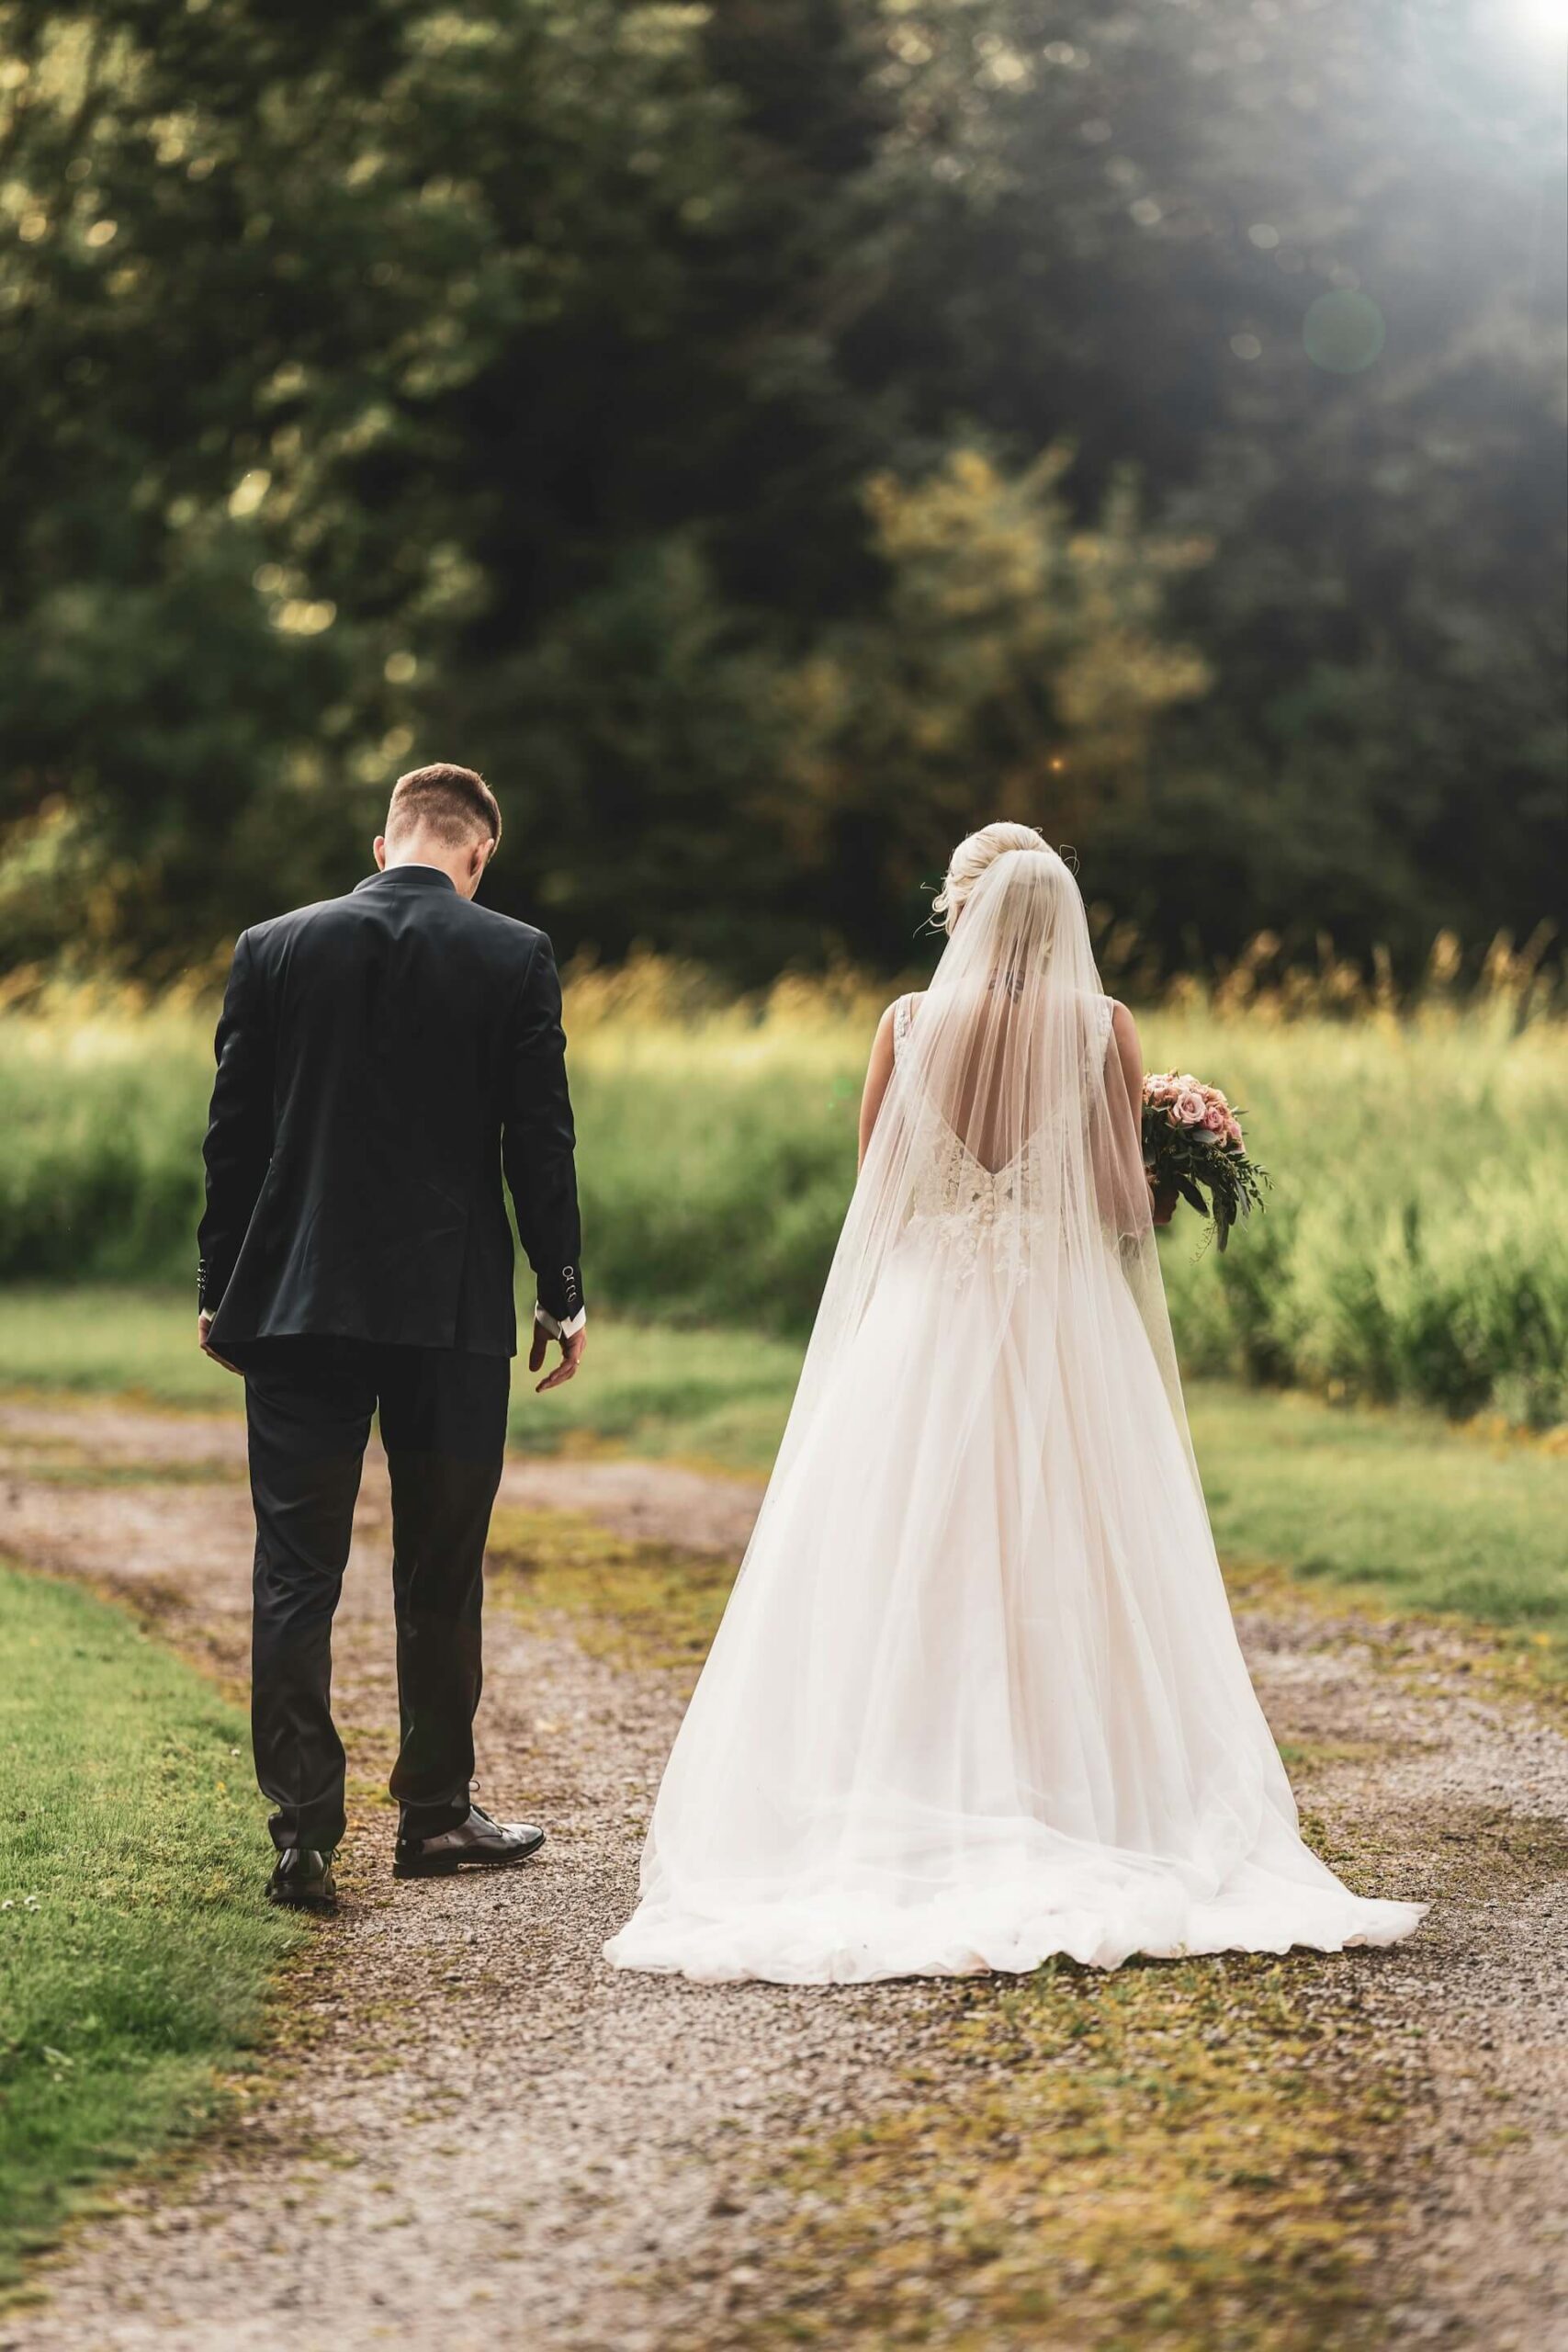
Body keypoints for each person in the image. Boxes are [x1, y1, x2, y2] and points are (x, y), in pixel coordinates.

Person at [606, 822, 1424, 1984]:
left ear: (964, 909)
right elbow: (1115, 1205)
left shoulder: (904, 1024)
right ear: (1065, 923)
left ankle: (903, 1781)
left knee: (913, 1548)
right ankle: (1084, 1791)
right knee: (1071, 1543)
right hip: (1055, 1319)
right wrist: (1168, 1154)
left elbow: (877, 1186)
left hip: (927, 1319)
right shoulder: (1102, 1028)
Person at [197, 762, 586, 1910]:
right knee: (439, 1566)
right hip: (449, 1314)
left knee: (295, 1570)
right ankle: (431, 1816)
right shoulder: (512, 953)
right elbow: (541, 1141)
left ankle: (303, 1835)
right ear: (476, 859)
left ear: (386, 844)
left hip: (300, 1302)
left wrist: (222, 1285)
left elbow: (233, 1137)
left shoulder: (273, 946)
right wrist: (560, 1290)